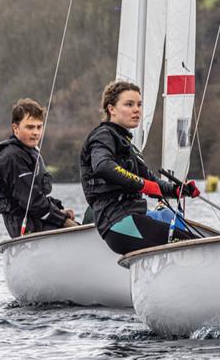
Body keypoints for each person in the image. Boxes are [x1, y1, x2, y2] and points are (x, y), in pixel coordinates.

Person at [79, 80, 201, 254]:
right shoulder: (103, 136)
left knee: (194, 242)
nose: (136, 109)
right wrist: (141, 184)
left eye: (139, 104)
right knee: (195, 247)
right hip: (118, 223)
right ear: (111, 109)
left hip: (132, 218)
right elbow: (103, 166)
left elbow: (151, 181)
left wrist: (179, 190)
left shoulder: (127, 145)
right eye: (129, 104)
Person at [0, 98, 77, 238]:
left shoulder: (28, 152)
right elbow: (31, 200)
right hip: (26, 228)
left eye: (39, 127)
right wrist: (63, 221)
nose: (36, 132)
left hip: (36, 220)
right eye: (30, 127)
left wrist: (59, 210)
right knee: (75, 229)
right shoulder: (11, 157)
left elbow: (39, 197)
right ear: (15, 128)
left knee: (82, 224)